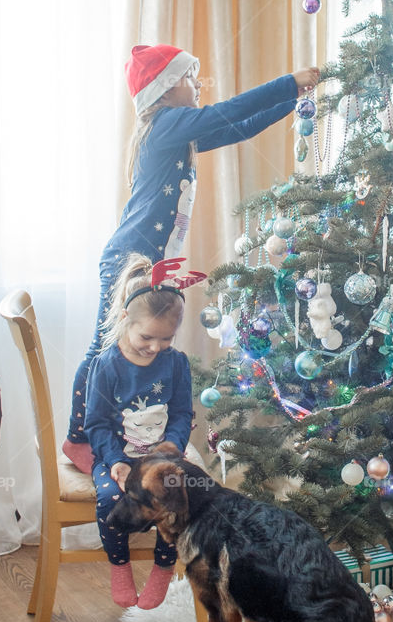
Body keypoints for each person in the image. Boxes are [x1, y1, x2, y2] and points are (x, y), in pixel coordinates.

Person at [64, 44, 320, 473]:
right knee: (104, 349)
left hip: (148, 262)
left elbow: (239, 127)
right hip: (129, 259)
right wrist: (288, 83)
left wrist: (293, 101)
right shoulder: (166, 124)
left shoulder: (178, 131)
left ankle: (125, 436)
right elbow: (227, 111)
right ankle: (79, 438)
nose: (197, 85)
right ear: (164, 89)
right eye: (188, 78)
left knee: (119, 349)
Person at [85, 252, 199, 609]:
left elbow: (181, 413)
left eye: (167, 339)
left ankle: (163, 567)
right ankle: (119, 566)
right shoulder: (106, 366)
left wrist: (172, 446)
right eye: (147, 337)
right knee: (110, 500)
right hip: (117, 456)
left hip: (164, 454)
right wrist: (116, 461)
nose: (156, 347)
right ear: (125, 320)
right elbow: (96, 424)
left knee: (179, 496)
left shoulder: (176, 363)